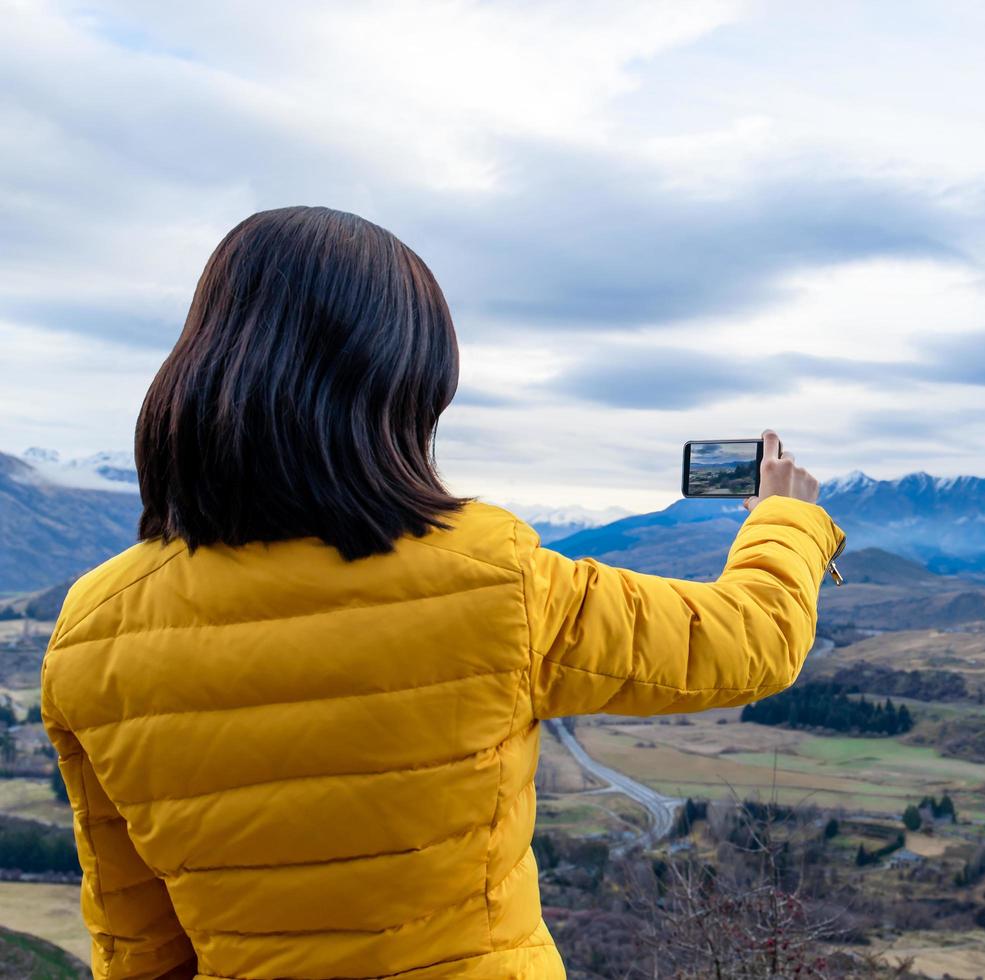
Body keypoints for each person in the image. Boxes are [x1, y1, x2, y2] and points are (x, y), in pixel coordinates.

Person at [40, 206, 844, 979]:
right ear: (405, 389)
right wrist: (785, 518)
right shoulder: (493, 578)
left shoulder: (95, 629)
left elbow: (135, 938)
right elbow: (750, 644)